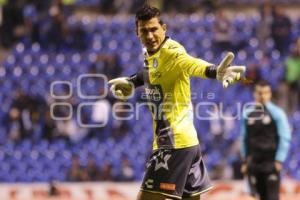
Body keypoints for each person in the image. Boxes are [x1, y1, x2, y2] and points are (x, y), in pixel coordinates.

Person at [108, 5, 245, 200]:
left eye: (154, 29)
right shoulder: (151, 53)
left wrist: (215, 71)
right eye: (144, 30)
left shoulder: (172, 51)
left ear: (164, 28)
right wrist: (132, 81)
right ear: (137, 32)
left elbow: (191, 64)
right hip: (188, 142)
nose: (150, 35)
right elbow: (151, 72)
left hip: (173, 144)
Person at [240, 81, 291, 200]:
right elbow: (244, 138)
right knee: (255, 197)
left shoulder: (277, 113)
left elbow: (285, 137)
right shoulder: (248, 114)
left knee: (271, 197)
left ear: (270, 94)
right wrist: (244, 161)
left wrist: (279, 159)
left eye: (265, 92)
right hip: (253, 163)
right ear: (254, 94)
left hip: (271, 163)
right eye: (259, 92)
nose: (262, 96)